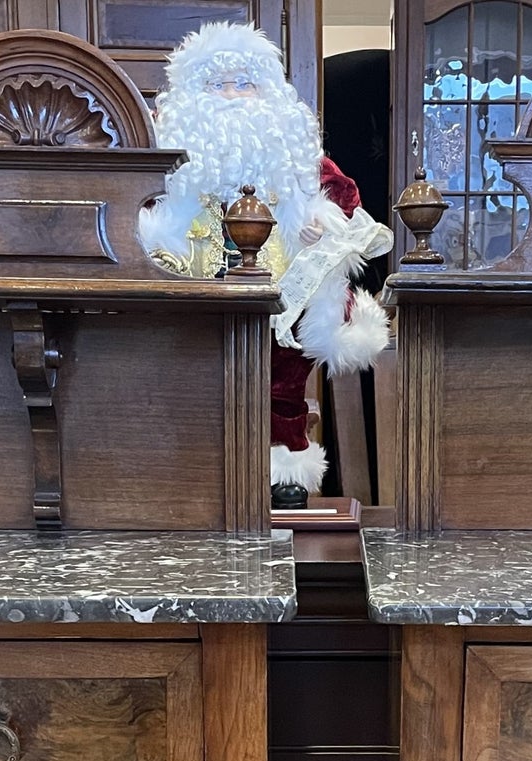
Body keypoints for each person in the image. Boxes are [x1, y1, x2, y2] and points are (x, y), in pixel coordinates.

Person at [138, 22, 392, 505]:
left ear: (268, 91)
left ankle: (283, 471)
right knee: (196, 381)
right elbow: (145, 208)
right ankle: (194, 470)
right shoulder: (170, 155)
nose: (232, 95)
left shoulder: (294, 152)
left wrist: (319, 222)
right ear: (194, 93)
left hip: (282, 288)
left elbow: (341, 196)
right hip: (198, 284)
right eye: (218, 85)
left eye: (245, 83)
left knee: (283, 380)